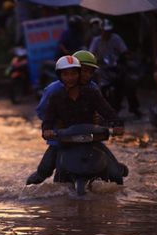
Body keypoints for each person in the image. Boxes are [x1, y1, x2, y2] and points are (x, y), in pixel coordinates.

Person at [27, 52, 128, 185]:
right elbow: (46, 117)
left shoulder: (92, 91)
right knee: (44, 170)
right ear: (60, 76)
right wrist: (49, 129)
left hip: (88, 136)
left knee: (115, 174)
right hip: (63, 138)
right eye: (66, 74)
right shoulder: (55, 94)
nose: (70, 78)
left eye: (74, 73)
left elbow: (106, 110)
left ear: (78, 74)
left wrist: (117, 124)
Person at [89, 19, 142, 118]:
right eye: (105, 31)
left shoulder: (116, 38)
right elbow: (90, 54)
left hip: (116, 67)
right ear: (101, 31)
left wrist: (125, 56)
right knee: (96, 87)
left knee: (129, 83)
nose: (107, 33)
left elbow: (124, 50)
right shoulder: (96, 41)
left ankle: (134, 107)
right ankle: (99, 110)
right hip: (101, 68)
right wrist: (95, 59)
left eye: (108, 31)